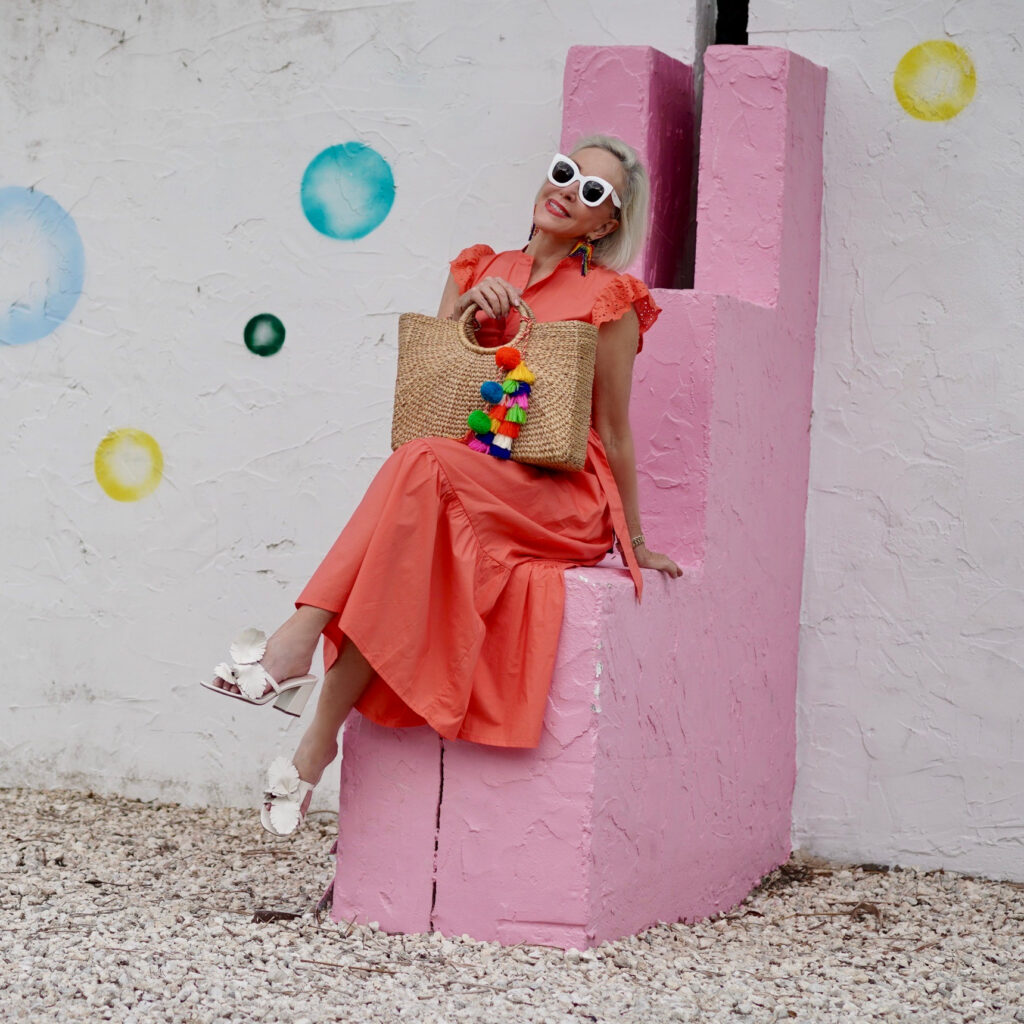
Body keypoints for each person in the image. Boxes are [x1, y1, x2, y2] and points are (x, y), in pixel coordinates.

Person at [203, 136, 682, 836]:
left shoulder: (608, 297)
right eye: (563, 173)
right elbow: (432, 385)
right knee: (411, 519)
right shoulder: (481, 265)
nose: (567, 191)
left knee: (421, 464)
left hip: (558, 495)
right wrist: (470, 315)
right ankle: (315, 745)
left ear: (605, 223)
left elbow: (614, 430)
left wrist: (634, 541)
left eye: (591, 192)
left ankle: (296, 640)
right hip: (471, 465)